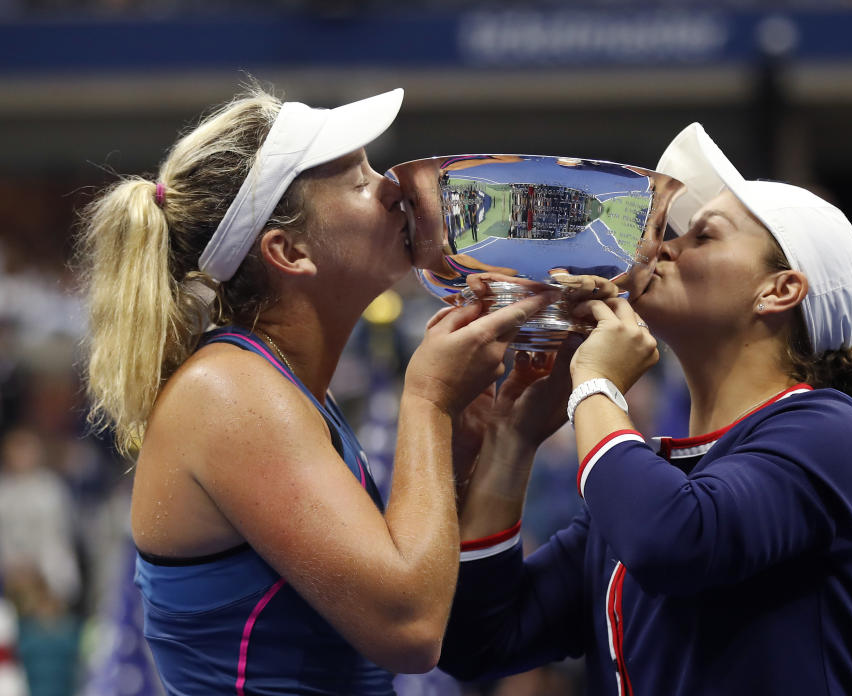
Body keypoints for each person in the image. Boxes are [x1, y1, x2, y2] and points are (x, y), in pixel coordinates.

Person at [76, 85, 558, 695]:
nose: (393, 187)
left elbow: (420, 584)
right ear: (289, 251)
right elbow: (409, 630)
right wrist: (429, 402)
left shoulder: (279, 388)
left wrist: (489, 443)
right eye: (357, 181)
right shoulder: (228, 394)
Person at [438, 123, 852, 695]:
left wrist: (597, 384)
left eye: (703, 236)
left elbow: (672, 541)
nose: (660, 248)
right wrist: (513, 441)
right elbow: (478, 642)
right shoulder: (643, 475)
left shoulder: (829, 427)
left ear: (778, 290)